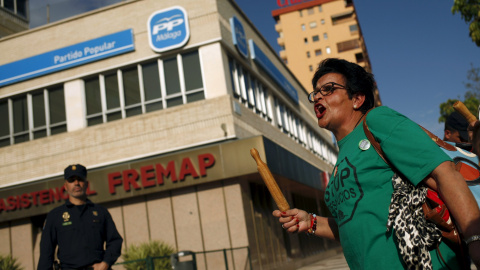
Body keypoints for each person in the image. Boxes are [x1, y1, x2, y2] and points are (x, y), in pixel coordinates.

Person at [273, 58, 480, 269]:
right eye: (315, 92)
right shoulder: (341, 160)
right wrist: (311, 222)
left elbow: (444, 172)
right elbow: (353, 226)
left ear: (357, 99)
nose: (317, 96)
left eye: (328, 89)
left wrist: (475, 239)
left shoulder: (376, 121)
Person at [38, 164, 123, 270]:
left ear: (86, 184)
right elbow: (46, 252)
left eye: (80, 179)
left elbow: (115, 241)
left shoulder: (100, 212)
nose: (76, 183)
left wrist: (105, 263)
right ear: (65, 186)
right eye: (72, 180)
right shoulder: (55, 216)